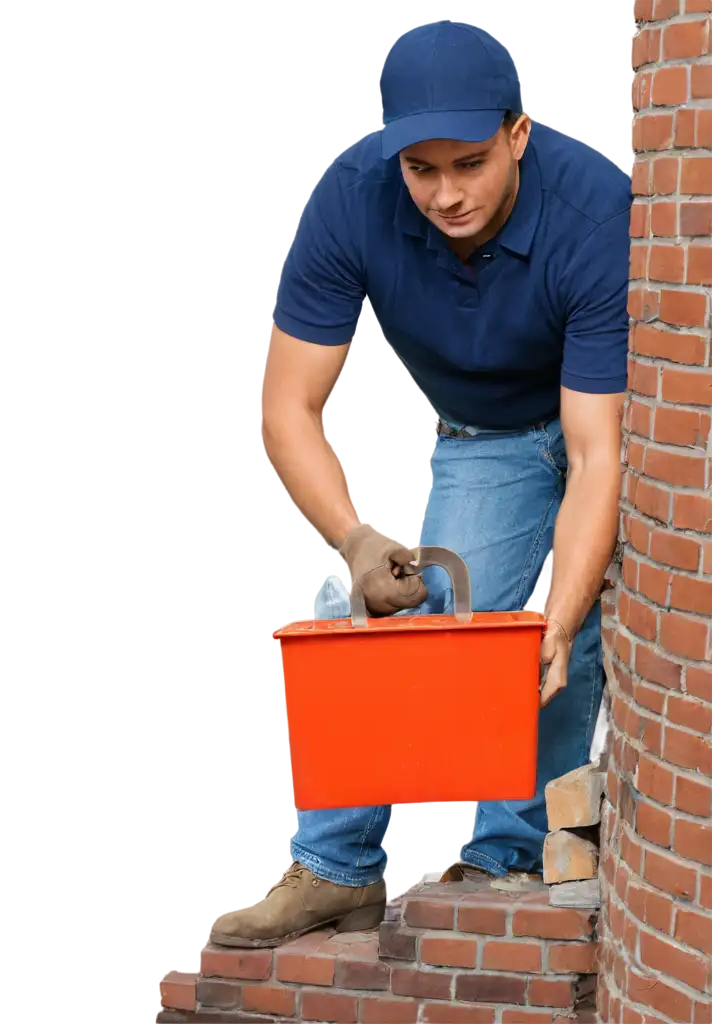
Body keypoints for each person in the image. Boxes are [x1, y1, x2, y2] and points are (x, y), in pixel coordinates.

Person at [208, 17, 629, 948]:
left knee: (564, 638)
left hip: (591, 413)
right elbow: (286, 409)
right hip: (488, 433)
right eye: (422, 170)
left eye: (471, 164)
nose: (446, 194)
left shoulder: (594, 211)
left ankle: (511, 849)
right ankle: (335, 871)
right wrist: (355, 534)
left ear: (518, 136)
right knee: (428, 607)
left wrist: (561, 615)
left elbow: (599, 451)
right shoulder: (352, 200)